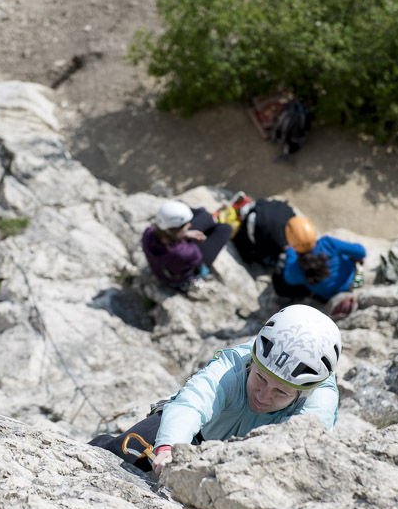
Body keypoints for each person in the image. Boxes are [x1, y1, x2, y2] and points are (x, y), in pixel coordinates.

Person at [90, 305, 341, 476]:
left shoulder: (320, 399)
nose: (263, 396)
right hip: (195, 432)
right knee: (121, 454)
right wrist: (168, 446)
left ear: (303, 392)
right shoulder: (234, 364)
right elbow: (193, 402)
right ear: (252, 362)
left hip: (244, 459)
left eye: (281, 392)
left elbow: (301, 448)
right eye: (260, 379)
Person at [142, 199, 232, 291]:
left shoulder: (148, 233)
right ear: (177, 230)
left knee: (204, 214)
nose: (189, 225)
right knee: (225, 229)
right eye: (186, 225)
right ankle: (213, 221)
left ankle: (209, 218)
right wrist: (187, 237)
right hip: (182, 276)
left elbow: (169, 238)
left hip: (165, 265)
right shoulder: (185, 253)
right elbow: (198, 260)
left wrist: (185, 234)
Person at [275, 235, 367, 320]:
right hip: (351, 279)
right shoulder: (327, 243)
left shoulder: (295, 269)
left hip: (327, 296)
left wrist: (290, 251)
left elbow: (289, 279)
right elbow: (361, 252)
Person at [232, 198, 316, 268]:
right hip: (253, 224)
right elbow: (266, 256)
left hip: (262, 208)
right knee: (250, 254)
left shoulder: (288, 212)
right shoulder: (279, 241)